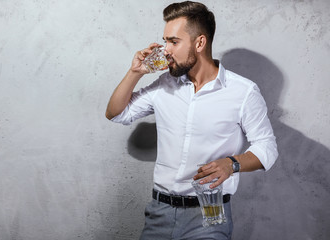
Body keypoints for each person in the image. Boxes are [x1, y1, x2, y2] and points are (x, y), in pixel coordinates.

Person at [105, 1, 278, 239]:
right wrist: (135, 72)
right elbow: (116, 113)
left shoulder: (243, 92)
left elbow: (267, 146)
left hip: (209, 215)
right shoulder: (164, 85)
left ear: (199, 43)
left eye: (174, 42)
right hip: (159, 213)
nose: (165, 49)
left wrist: (232, 164)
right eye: (165, 41)